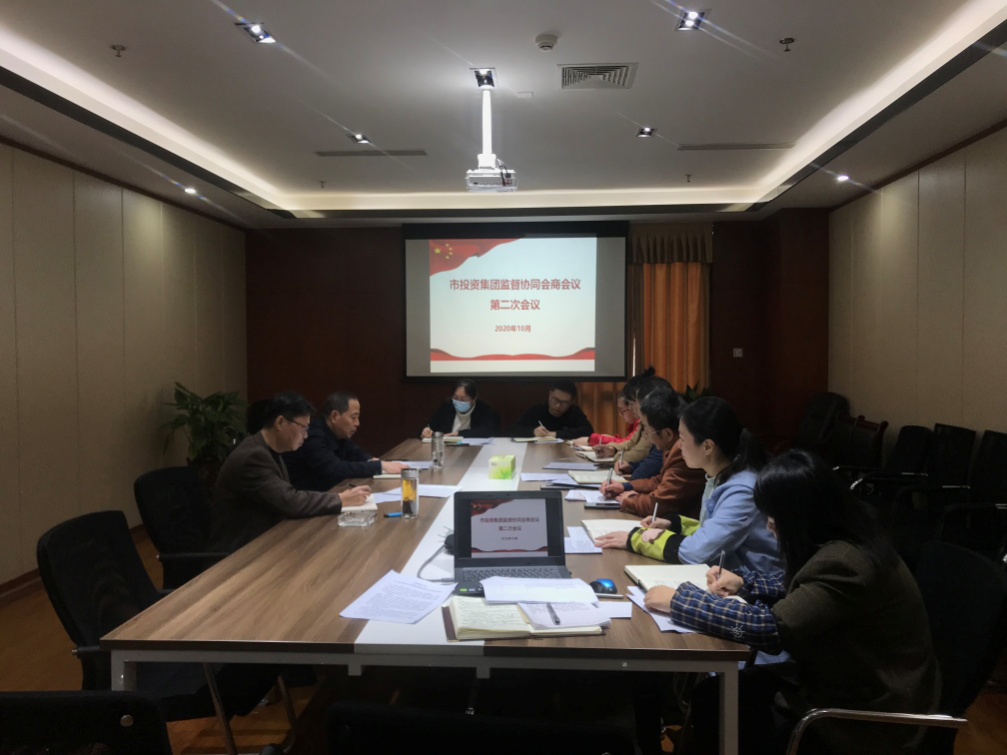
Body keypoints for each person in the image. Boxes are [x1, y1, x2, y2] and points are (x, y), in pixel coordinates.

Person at [644, 450, 941, 755]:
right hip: (843, 682)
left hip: (865, 714)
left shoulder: (845, 563)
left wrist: (680, 601)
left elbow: (770, 630)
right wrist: (746, 583)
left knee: (720, 700)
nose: (769, 525)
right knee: (715, 695)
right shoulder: (845, 541)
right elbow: (805, 588)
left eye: (774, 516)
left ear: (802, 514)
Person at [595, 396, 779, 578]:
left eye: (683, 439)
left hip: (752, 588)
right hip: (724, 578)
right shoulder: (720, 475)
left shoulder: (742, 490)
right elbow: (712, 529)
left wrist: (635, 539)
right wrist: (674, 524)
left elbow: (697, 551)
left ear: (707, 446)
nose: (679, 445)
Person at [207, 392, 371, 553]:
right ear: (280, 422)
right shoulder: (253, 457)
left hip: (267, 542)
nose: (305, 436)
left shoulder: (271, 450)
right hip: (240, 554)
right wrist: (341, 499)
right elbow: (290, 501)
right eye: (303, 428)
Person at [598, 387, 705, 519]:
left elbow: (658, 505)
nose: (647, 436)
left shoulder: (682, 452)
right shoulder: (671, 446)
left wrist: (631, 498)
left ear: (667, 434)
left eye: (647, 430)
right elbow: (659, 481)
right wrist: (624, 486)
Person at [284, 391, 406, 491]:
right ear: (335, 416)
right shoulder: (313, 436)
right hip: (304, 501)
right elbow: (335, 469)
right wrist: (379, 466)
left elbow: (356, 452)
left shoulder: (339, 433)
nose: (357, 423)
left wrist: (372, 461)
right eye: (353, 417)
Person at [592, 368, 657, 464]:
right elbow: (631, 443)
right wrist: (612, 449)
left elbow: (639, 453)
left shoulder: (653, 422)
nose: (630, 407)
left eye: (631, 403)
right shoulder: (643, 421)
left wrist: (618, 456)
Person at [508, 379, 593, 440]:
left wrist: (555, 434)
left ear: (572, 402)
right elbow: (514, 429)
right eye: (555, 399)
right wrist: (533, 431)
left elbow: (588, 432)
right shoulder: (536, 410)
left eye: (564, 403)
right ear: (550, 394)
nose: (558, 406)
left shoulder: (574, 412)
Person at [420, 378, 501, 438]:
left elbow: (487, 431)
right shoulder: (447, 406)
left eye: (463, 399)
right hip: (447, 449)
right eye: (455, 398)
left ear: (474, 398)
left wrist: (459, 434)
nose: (458, 402)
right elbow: (432, 426)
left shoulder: (484, 409)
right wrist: (427, 431)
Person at [571, 395, 638, 447]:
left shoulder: (640, 422)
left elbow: (627, 444)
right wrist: (611, 438)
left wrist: (591, 440)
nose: (620, 414)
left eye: (622, 410)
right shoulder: (634, 424)